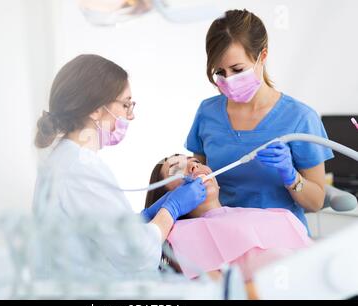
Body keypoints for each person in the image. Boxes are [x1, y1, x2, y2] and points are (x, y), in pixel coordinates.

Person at [32, 54, 206, 278]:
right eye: (125, 105)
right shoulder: (80, 168)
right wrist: (170, 210)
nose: (130, 116)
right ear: (95, 109)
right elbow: (136, 254)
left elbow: (100, 230)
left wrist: (140, 219)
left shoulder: (66, 160)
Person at [186, 9, 334, 233]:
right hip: (222, 236)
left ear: (262, 56)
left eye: (237, 69)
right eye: (220, 72)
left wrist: (292, 177)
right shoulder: (208, 112)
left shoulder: (300, 118)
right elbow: (197, 181)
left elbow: (316, 203)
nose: (228, 80)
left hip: (279, 241)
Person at [144, 154, 313, 282]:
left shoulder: (274, 214)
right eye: (175, 170)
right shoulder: (179, 237)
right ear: (166, 196)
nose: (194, 167)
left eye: (196, 162)